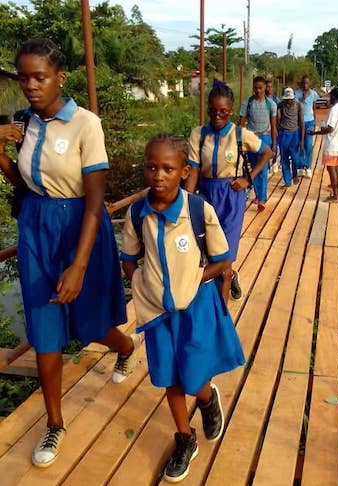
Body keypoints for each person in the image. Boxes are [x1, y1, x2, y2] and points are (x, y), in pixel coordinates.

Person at [0, 38, 139, 468]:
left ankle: (125, 347)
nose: (30, 85)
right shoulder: (25, 123)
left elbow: (95, 203)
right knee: (44, 326)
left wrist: (78, 265)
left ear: (60, 78)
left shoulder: (85, 124)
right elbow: (24, 185)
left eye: (39, 77)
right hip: (36, 228)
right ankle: (55, 423)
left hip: (81, 227)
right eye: (24, 77)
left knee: (89, 321)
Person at [121, 133, 245, 483]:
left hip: (195, 307)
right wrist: (143, 283)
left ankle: (206, 399)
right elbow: (129, 258)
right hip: (158, 312)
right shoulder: (137, 213)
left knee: (193, 372)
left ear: (184, 171)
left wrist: (190, 282)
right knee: (169, 376)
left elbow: (222, 260)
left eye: (168, 169)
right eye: (151, 167)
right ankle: (184, 437)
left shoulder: (198, 211)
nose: (158, 175)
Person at [185, 82, 273, 302]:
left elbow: (267, 153)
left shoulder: (240, 134)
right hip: (206, 195)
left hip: (231, 197)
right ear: (208, 109)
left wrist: (247, 179)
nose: (218, 116)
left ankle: (222, 307)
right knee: (207, 248)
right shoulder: (198, 135)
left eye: (223, 111)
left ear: (231, 110)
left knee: (225, 253)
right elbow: (193, 170)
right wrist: (185, 201)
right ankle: (229, 277)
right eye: (213, 111)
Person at [239, 76, 277, 212]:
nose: (258, 91)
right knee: (254, 168)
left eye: (260, 88)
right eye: (255, 88)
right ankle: (258, 194)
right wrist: (239, 141)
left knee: (263, 169)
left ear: (265, 88)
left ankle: (262, 199)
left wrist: (274, 144)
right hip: (251, 138)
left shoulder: (271, 104)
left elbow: (273, 125)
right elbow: (241, 123)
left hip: (265, 137)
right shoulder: (247, 103)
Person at [309, 86, 338, 202]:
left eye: (330, 96)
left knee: (331, 169)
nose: (329, 99)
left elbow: (330, 129)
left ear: (334, 97)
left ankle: (336, 196)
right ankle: (337, 193)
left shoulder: (334, 110)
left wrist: (316, 132)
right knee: (335, 168)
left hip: (332, 144)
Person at [276, 87, 304, 188]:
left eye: (291, 99)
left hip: (294, 134)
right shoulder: (281, 105)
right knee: (284, 159)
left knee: (295, 158)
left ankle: (295, 174)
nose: (289, 101)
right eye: (287, 99)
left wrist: (301, 140)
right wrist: (279, 127)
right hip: (283, 134)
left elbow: (301, 123)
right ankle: (287, 181)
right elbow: (277, 118)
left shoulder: (298, 105)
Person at [294, 75, 319, 178]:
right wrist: (302, 98)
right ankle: (300, 166)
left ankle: (308, 167)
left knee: (308, 144)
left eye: (307, 83)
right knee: (300, 144)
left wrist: (315, 122)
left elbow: (314, 107)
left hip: (309, 122)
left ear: (310, 84)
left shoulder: (313, 94)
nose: (305, 85)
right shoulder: (297, 94)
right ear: (301, 83)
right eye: (303, 83)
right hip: (299, 122)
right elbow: (295, 106)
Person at [265, 79, 281, 174]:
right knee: (266, 147)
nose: (269, 89)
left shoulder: (276, 99)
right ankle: (266, 166)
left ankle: (274, 162)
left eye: (271, 87)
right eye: (267, 87)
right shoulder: (262, 99)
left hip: (274, 126)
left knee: (275, 145)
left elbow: (279, 113)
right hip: (265, 128)